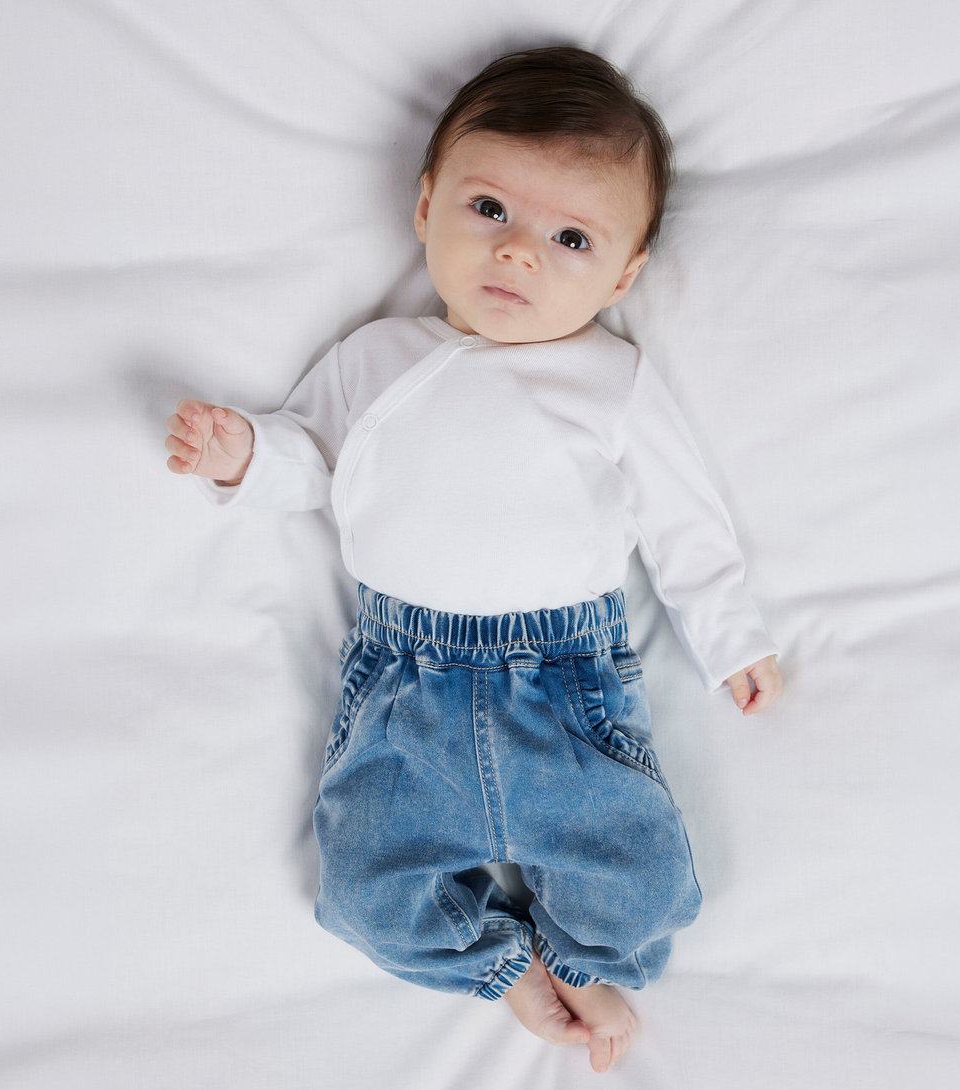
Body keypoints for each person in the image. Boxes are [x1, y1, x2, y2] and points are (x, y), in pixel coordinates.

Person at [164, 45, 782, 1074]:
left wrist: (730, 637)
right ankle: (503, 971)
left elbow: (685, 525)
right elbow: (309, 459)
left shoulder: (609, 380)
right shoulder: (376, 358)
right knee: (362, 892)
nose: (519, 254)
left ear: (624, 274)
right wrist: (244, 455)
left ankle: (589, 958)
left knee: (640, 875)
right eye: (489, 210)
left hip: (567, 682)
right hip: (400, 684)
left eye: (570, 237)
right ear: (425, 207)